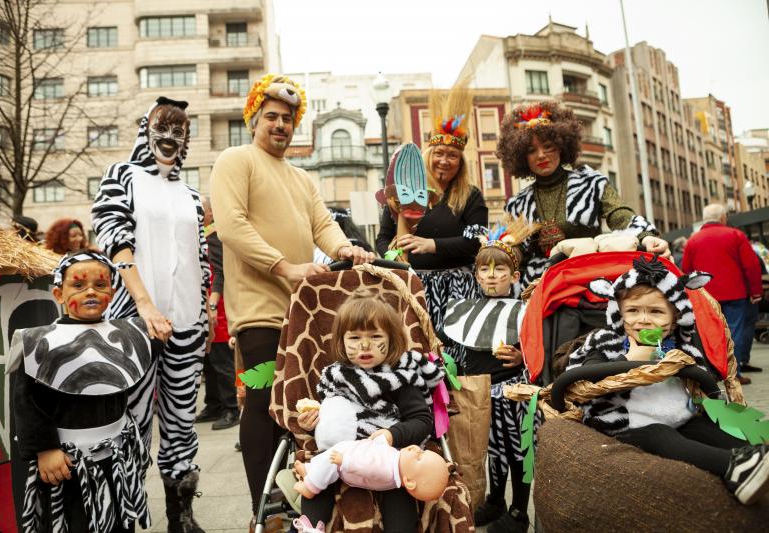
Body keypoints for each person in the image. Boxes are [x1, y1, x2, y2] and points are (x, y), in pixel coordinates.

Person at [209, 74, 373, 521]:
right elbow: (231, 227)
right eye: (271, 117)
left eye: (287, 120)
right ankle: (262, 511)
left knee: (306, 407)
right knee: (264, 404)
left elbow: (323, 225)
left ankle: (300, 496)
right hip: (259, 311)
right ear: (254, 120)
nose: (279, 126)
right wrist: (287, 266)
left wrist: (345, 248)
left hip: (305, 312)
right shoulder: (235, 160)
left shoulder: (301, 178)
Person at [92, 96, 211, 532]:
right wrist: (143, 304)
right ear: (146, 130)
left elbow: (200, 256)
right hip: (135, 323)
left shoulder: (191, 194)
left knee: (181, 420)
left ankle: (180, 515)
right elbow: (113, 238)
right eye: (162, 128)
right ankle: (126, 514)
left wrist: (205, 307)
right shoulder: (121, 177)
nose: (170, 138)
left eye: (179, 132)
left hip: (186, 322)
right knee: (133, 422)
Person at [567, 255, 769, 506]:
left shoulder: (680, 349)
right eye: (632, 311)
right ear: (619, 313)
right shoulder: (606, 342)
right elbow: (587, 375)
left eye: (655, 312)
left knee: (706, 428)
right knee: (659, 435)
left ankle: (751, 458)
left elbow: (704, 382)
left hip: (678, 420)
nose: (643, 320)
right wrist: (627, 359)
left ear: (675, 318)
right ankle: (731, 467)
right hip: (625, 428)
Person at [9, 250, 161, 532]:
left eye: (100, 285)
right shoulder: (40, 341)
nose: (90, 292)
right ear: (58, 293)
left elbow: (148, 351)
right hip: (66, 463)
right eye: (78, 285)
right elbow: (26, 402)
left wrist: (158, 329)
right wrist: (45, 449)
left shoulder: (126, 334)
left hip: (116, 458)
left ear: (112, 293)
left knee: (118, 521)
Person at [296, 290, 444, 530]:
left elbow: (422, 421)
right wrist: (313, 424)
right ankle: (309, 527)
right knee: (318, 474)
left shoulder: (398, 378)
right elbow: (334, 418)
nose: (365, 345)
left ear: (392, 339)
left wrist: (392, 434)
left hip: (388, 460)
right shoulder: (337, 377)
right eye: (354, 338)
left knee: (401, 490)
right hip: (341, 456)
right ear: (341, 341)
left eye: (376, 336)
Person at [497, 101, 668, 293]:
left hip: (588, 278)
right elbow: (518, 252)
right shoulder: (518, 204)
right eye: (531, 150)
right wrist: (501, 253)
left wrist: (645, 237)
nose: (541, 155)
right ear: (521, 156)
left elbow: (620, 214)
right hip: (540, 287)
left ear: (561, 146)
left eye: (548, 146)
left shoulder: (591, 182)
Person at [376, 88, 488, 367]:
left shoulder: (470, 196)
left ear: (460, 161)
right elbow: (382, 238)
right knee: (416, 353)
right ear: (429, 154)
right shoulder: (403, 193)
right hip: (414, 286)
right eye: (439, 153)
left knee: (457, 359)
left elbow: (477, 242)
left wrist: (432, 245)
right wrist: (392, 255)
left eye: (452, 155)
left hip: (459, 290)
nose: (444, 160)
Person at [442, 218, 540, 532]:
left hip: (513, 392)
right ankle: (495, 501)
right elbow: (455, 349)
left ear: (515, 276)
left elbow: (536, 350)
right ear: (476, 275)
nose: (492, 275)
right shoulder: (464, 311)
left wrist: (520, 355)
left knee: (516, 449)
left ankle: (519, 512)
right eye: (485, 269)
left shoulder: (524, 311)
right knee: (493, 451)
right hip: (480, 393)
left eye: (499, 270)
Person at [682, 204, 762, 385]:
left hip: (704, 296)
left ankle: (711, 372)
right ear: (723, 217)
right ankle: (734, 374)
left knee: (708, 335)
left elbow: (686, 271)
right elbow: (751, 265)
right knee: (734, 334)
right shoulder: (736, 235)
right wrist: (755, 291)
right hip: (735, 294)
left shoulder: (693, 241)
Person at [292, 435, 449, 502]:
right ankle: (310, 469)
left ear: (409, 481)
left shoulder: (387, 470)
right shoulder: (396, 462)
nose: (416, 449)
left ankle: (312, 486)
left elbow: (366, 467)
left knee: (330, 461)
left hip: (349, 463)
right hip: (354, 452)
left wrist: (345, 461)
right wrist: (380, 441)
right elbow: (381, 453)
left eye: (419, 457)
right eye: (422, 450)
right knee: (327, 457)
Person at [196, 196, 240, 430]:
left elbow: (220, 273)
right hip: (208, 307)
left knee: (222, 362)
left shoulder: (214, 237)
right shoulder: (202, 236)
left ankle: (232, 408)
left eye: (199, 211)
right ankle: (213, 404)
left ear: (211, 213)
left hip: (219, 309)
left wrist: (213, 305)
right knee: (210, 362)